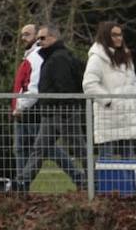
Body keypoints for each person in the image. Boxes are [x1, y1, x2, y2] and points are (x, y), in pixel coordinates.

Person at [17, 23, 88, 191]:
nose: (38, 41)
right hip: (51, 113)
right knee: (39, 150)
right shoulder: (52, 57)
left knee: (79, 149)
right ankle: (22, 182)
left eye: (42, 38)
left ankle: (93, 181)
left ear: (54, 38)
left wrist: (64, 110)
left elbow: (65, 87)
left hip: (62, 113)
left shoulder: (59, 58)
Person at [83, 21, 136, 160]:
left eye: (120, 35)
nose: (119, 38)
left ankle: (128, 182)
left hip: (128, 115)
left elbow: (133, 82)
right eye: (114, 35)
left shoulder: (126, 57)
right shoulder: (97, 58)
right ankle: (104, 183)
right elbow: (89, 84)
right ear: (105, 36)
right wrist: (108, 101)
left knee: (130, 160)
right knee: (106, 160)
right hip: (108, 117)